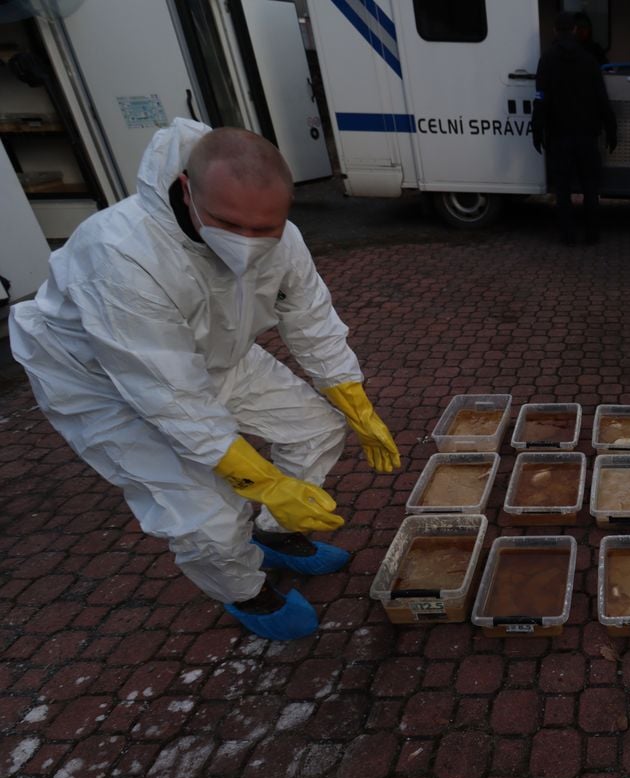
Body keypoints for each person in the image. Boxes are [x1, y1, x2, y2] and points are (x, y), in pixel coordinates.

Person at [8, 119, 401, 642]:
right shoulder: (121, 255)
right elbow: (168, 393)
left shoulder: (282, 237)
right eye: (229, 224)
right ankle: (246, 593)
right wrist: (264, 481)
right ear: (188, 189)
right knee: (205, 513)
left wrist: (354, 402)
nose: (248, 244)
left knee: (316, 429)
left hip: (215, 353)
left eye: (266, 228)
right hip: (105, 382)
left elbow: (308, 316)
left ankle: (277, 533)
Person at [531, 11, 617, 245]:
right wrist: (612, 130)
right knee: (590, 187)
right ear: (575, 31)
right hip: (587, 136)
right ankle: (592, 234)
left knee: (563, 189)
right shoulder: (589, 60)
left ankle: (568, 235)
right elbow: (602, 98)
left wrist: (536, 130)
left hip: (559, 136)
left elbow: (540, 98)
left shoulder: (546, 60)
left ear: (555, 31)